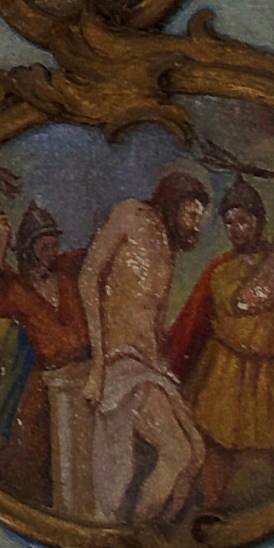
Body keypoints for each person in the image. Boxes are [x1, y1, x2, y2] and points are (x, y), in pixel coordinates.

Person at [164, 173, 274, 504]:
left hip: (270, 373)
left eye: (243, 220)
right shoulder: (223, 272)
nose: (236, 229)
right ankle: (208, 516)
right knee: (217, 455)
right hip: (226, 373)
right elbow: (259, 292)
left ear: (259, 220)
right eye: (229, 223)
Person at [75, 170, 212, 521]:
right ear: (175, 200)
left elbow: (154, 316)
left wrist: (163, 363)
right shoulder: (131, 214)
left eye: (199, 216)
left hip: (149, 364)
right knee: (178, 453)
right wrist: (97, 366)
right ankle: (137, 535)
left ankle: (158, 531)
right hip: (120, 360)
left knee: (195, 454)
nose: (195, 223)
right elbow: (89, 276)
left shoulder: (169, 245)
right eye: (191, 213)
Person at [0, 181, 87, 447]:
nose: (52, 253)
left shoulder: (67, 270)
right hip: (47, 380)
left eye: (54, 246)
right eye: (45, 248)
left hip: (86, 374)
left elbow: (98, 255)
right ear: (29, 248)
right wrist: (1, 239)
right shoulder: (19, 289)